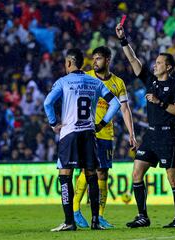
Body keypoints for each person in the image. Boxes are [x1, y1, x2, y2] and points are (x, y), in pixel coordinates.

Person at [115, 23, 175, 228]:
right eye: (155, 62)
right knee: (136, 173)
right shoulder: (150, 81)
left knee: (173, 180)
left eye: (159, 63)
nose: (154, 65)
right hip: (151, 135)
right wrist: (123, 40)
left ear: (168, 67)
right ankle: (142, 216)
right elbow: (132, 59)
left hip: (167, 136)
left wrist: (159, 102)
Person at [44, 48, 121, 231]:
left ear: (69, 63)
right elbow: (116, 103)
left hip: (69, 134)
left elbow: (47, 102)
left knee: (65, 176)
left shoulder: (63, 82)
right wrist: (101, 124)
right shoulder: (94, 82)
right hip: (89, 134)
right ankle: (95, 221)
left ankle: (69, 222)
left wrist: (54, 123)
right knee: (91, 176)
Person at [73, 46, 137, 228]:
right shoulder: (86, 77)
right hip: (86, 132)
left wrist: (131, 134)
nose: (95, 62)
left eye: (99, 58)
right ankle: (75, 209)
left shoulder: (118, 83)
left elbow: (124, 108)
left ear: (108, 60)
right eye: (93, 58)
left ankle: (100, 216)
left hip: (106, 134)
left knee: (103, 173)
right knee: (87, 170)